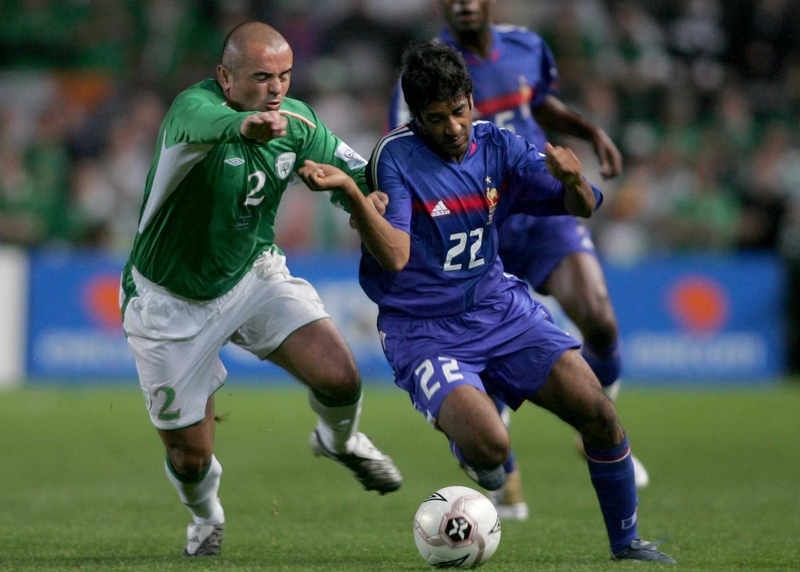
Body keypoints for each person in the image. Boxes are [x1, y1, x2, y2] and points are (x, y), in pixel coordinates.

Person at [300, 41, 675, 564]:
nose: (453, 127)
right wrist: (355, 197)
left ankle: (628, 543)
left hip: (499, 308)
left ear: (471, 101)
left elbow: (584, 204)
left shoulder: (500, 145)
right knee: (492, 448)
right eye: (437, 118)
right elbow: (396, 257)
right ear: (416, 118)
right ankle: (477, 454)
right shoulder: (397, 156)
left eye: (459, 111)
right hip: (423, 326)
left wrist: (572, 182)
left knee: (599, 413)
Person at [119, 21, 402, 558]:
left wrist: (373, 198)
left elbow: (358, 175)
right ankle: (206, 517)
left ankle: (338, 441)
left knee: (341, 376)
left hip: (252, 276)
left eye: (285, 76)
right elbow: (208, 123)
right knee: (190, 458)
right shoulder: (191, 110)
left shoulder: (297, 123)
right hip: (168, 300)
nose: (276, 89)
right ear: (225, 77)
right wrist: (245, 126)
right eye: (261, 78)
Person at [387, 0, 647, 522]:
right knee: (485, 385)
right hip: (477, 220)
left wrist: (589, 137)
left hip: (531, 194)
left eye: (461, 111)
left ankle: (595, 427)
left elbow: (541, 103)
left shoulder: (526, 47)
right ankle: (492, 458)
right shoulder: (423, 82)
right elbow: (410, 158)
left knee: (597, 316)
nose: (463, 5)